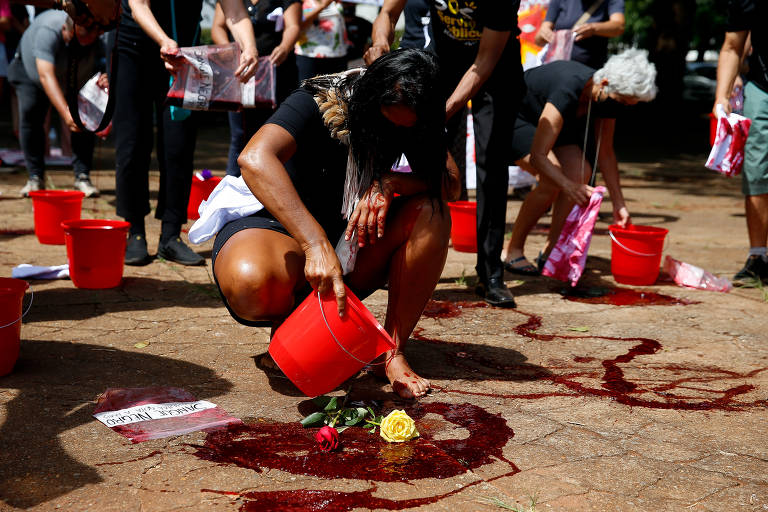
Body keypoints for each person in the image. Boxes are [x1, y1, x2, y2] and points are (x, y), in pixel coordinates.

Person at [211, 49, 460, 399]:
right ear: (370, 98)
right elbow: (254, 159)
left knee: (431, 212)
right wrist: (315, 245)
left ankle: (390, 351)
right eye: (387, 121)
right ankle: (292, 323)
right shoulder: (322, 97)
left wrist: (392, 182)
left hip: (347, 237)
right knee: (254, 282)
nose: (394, 133)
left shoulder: (419, 117)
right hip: (277, 226)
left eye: (406, 129)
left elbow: (450, 183)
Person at [366, 0, 525, 308]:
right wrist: (380, 42)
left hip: (494, 67)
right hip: (443, 60)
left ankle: (490, 273)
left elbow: (483, 64)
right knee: (427, 158)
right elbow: (388, 11)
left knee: (490, 163)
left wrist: (443, 112)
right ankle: (410, 257)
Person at [115, 0, 257, 266]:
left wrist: (249, 47)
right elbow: (138, 5)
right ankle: (134, 231)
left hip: (185, 54)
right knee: (132, 142)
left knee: (178, 143)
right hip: (135, 46)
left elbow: (235, 12)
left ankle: (171, 234)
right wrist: (164, 41)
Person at [502, 49, 657, 275]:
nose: (623, 106)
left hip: (553, 128)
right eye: (622, 100)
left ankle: (553, 252)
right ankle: (513, 249)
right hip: (517, 117)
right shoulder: (568, 87)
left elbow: (605, 152)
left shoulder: (608, 97)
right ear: (604, 83)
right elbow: (539, 156)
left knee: (580, 172)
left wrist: (618, 203)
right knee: (551, 179)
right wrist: (567, 186)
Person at [8, 10, 103, 197]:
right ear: (65, 30)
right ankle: (35, 177)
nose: (83, 44)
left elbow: (109, 64)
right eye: (77, 40)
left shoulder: (100, 33)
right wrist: (66, 113)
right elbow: (46, 76)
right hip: (32, 74)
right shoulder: (48, 31)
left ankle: (82, 176)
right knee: (31, 117)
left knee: (84, 119)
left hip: (75, 77)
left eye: (89, 40)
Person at [211, 0, 301, 177]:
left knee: (279, 135)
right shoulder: (233, 2)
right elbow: (218, 27)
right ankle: (234, 189)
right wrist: (231, 51)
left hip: (277, 74)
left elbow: (293, 26)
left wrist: (284, 47)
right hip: (241, 73)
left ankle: (279, 189)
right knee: (239, 134)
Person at [714, 2, 768, 284]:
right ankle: (759, 258)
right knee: (757, 172)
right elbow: (732, 46)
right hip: (762, 87)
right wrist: (721, 95)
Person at [536, 0, 625, 70]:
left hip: (588, 72)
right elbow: (538, 39)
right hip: (556, 68)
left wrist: (593, 28)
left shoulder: (610, 1)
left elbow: (619, 26)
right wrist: (545, 34)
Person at [294, 0, 348, 81]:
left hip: (339, 54)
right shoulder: (300, 2)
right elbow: (297, 24)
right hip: (310, 55)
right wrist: (322, 5)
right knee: (309, 91)